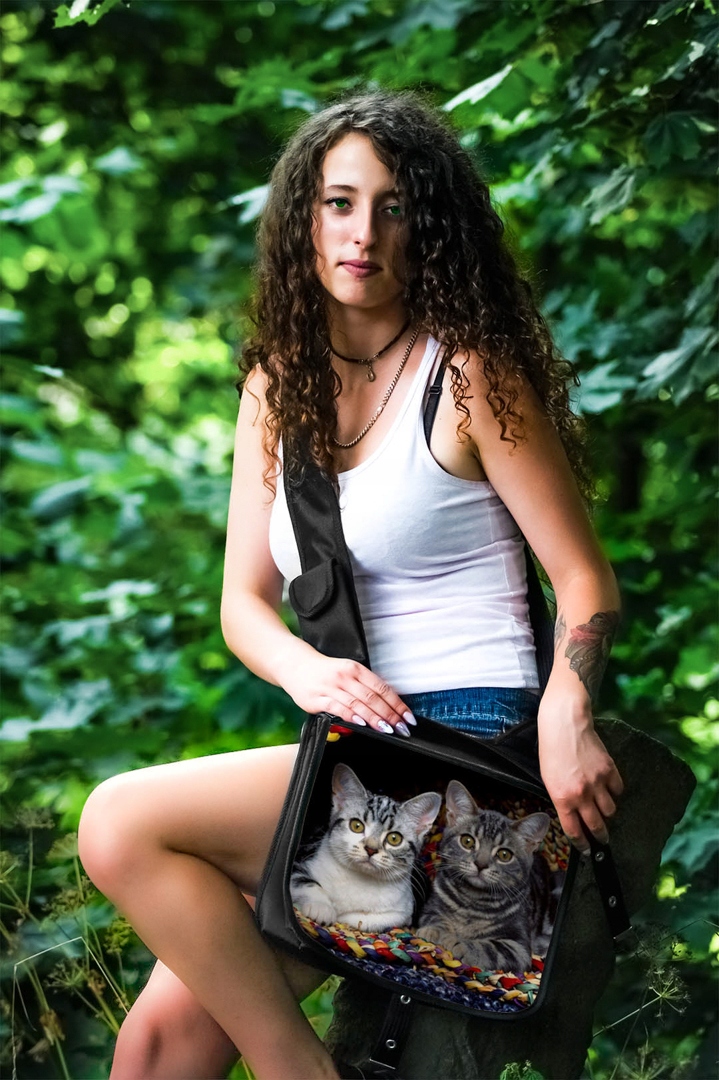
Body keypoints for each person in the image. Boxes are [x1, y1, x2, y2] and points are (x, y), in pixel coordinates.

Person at [78, 90, 623, 1080]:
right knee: (157, 1047)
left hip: (464, 758)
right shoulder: (275, 384)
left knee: (120, 822)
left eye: (392, 207)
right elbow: (243, 603)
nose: (361, 232)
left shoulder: (467, 376)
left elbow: (583, 577)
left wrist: (566, 710)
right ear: (304, 219)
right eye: (338, 203)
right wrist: (306, 671)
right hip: (355, 750)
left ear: (431, 227)